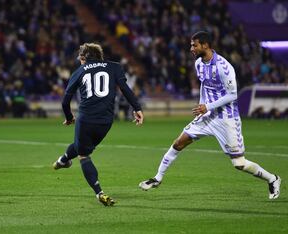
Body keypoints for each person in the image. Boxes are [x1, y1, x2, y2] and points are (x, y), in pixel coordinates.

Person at [139, 31, 281, 200]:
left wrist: (207, 106)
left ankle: (272, 179)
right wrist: (202, 106)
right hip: (206, 117)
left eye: (194, 45)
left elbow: (232, 95)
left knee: (239, 164)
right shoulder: (199, 63)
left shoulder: (224, 67)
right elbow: (204, 86)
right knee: (178, 143)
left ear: (205, 45)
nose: (191, 48)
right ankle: (158, 178)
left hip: (226, 118)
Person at [53, 43, 144, 206]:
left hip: (86, 119)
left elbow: (65, 101)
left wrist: (68, 117)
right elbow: (125, 89)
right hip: (106, 121)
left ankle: (99, 193)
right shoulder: (114, 67)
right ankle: (63, 160)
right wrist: (137, 108)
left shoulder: (79, 71)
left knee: (83, 154)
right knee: (82, 146)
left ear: (83, 58)